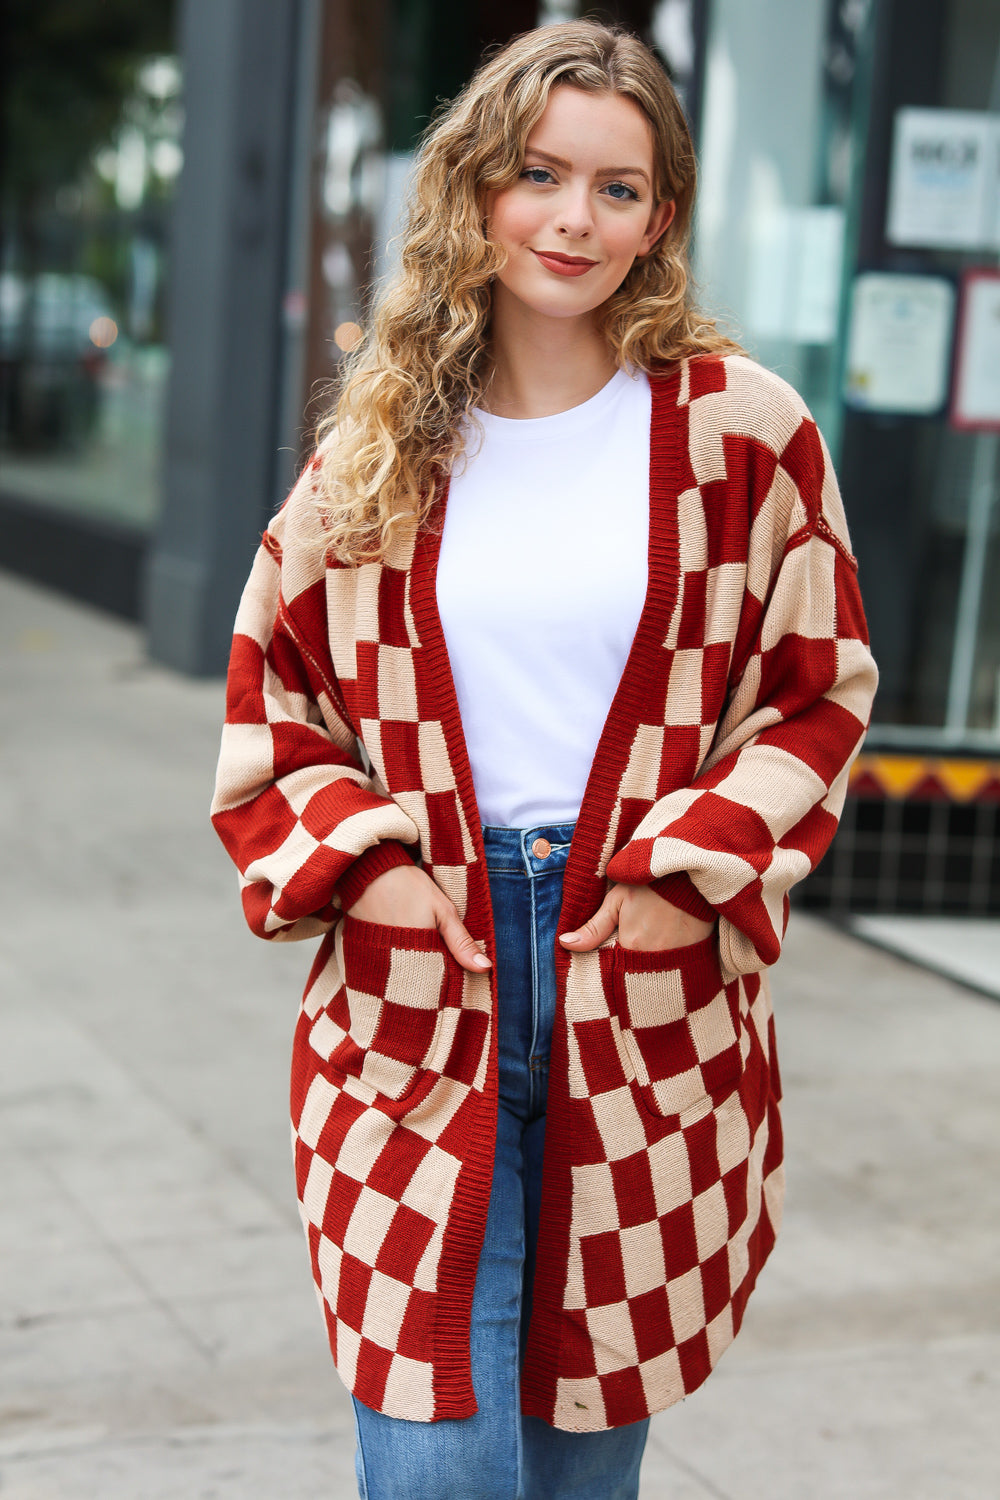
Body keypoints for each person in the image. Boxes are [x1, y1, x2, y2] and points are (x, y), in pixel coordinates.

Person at [211, 19, 878, 1500]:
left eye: (620, 188)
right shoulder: (382, 441)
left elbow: (817, 692)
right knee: (439, 1456)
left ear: (665, 218)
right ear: (477, 190)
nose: (575, 219)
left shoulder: (744, 438)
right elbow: (276, 706)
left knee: (586, 1457)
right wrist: (369, 874)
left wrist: (687, 874)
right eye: (538, 175)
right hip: (413, 981)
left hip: (646, 974)